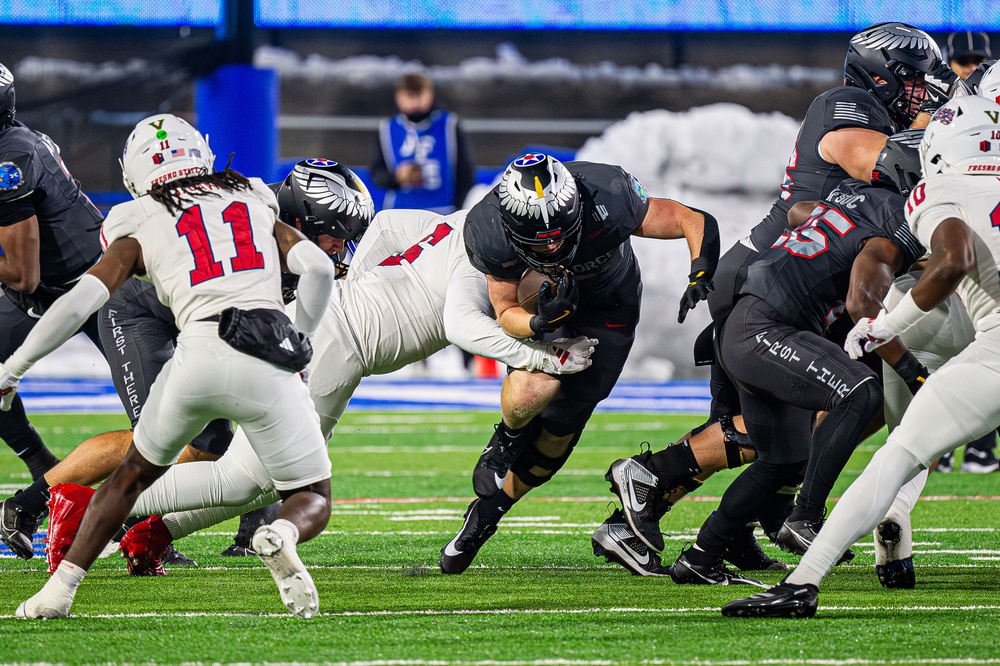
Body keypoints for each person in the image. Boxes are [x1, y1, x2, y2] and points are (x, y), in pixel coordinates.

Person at [42, 206, 597, 575]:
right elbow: (461, 326)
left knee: (250, 478)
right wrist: (543, 356)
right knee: (251, 481)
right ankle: (88, 506)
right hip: (334, 346)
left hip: (328, 330)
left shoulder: (456, 224)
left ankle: (148, 534)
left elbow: (385, 226)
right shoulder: (483, 262)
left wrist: (361, 288)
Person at [591, 23, 944, 575]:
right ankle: (655, 480)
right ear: (881, 75)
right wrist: (951, 133)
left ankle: (733, 525)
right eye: (915, 80)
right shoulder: (845, 105)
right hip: (767, 277)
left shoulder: (878, 113)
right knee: (780, 427)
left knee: (794, 428)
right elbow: (890, 164)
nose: (924, 91)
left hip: (791, 280)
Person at [4, 113, 338, 620]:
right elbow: (317, 267)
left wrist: (13, 369)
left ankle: (58, 593)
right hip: (265, 353)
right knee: (310, 494)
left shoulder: (135, 218)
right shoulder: (250, 194)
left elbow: (79, 301)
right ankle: (280, 532)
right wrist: (301, 344)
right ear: (200, 153)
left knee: (129, 480)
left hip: (196, 355)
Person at [721, 95, 1000, 618]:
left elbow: (954, 259)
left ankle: (803, 581)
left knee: (901, 450)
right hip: (974, 335)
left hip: (984, 344)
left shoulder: (936, 190)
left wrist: (883, 327)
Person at [440, 152, 720, 574]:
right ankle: (505, 438)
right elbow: (504, 312)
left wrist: (701, 271)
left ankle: (486, 513)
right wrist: (540, 319)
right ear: (513, 229)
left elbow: (691, 219)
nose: (553, 245)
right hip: (547, 305)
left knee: (559, 431)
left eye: (560, 233)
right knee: (535, 388)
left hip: (611, 305)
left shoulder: (606, 193)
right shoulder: (488, 228)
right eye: (541, 239)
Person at [0, 62, 105, 481]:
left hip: (98, 289)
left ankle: (249, 505)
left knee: (163, 406)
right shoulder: (11, 142)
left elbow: (22, 273)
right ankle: (44, 467)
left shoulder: (12, 159)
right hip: (45, 289)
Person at [370, 72, 476, 214]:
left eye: (420, 95)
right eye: (409, 96)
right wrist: (397, 178)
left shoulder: (449, 124)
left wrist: (458, 209)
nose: (415, 102)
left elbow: (466, 171)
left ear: (430, 94)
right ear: (399, 97)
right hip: (400, 213)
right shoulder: (387, 128)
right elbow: (376, 173)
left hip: (442, 212)